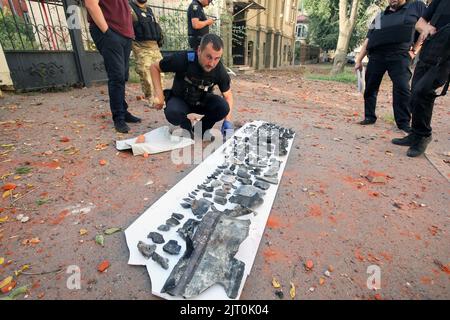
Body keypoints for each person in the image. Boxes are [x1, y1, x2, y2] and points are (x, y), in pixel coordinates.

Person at [355, 0, 426, 133]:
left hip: (399, 56)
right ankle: (369, 117)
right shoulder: (380, 16)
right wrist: (359, 59)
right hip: (377, 56)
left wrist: (414, 51)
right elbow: (369, 39)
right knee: (370, 87)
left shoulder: (415, 7)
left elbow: (425, 29)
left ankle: (403, 123)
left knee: (402, 89)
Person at [392, 0, 450, 157]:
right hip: (428, 51)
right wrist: (426, 28)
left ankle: (424, 135)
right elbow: (420, 22)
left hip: (446, 59)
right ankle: (415, 134)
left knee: (422, 92)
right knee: (414, 95)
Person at [150, 34, 234, 139]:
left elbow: (228, 96)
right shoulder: (183, 59)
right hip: (180, 100)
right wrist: (159, 95)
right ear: (199, 50)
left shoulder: (219, 70)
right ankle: (186, 127)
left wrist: (228, 121)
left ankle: (200, 130)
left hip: (201, 102)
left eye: (217, 58)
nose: (212, 63)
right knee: (173, 113)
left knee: (223, 107)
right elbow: (154, 67)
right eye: (209, 57)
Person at [85, 0, 140, 134]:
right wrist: (107, 31)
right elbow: (91, 4)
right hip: (110, 32)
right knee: (117, 77)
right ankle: (118, 117)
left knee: (123, 76)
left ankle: (123, 111)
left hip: (125, 34)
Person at [129, 0, 164, 106]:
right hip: (141, 46)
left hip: (154, 46)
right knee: (145, 73)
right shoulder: (130, 8)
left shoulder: (149, 10)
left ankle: (160, 97)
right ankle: (151, 98)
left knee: (160, 73)